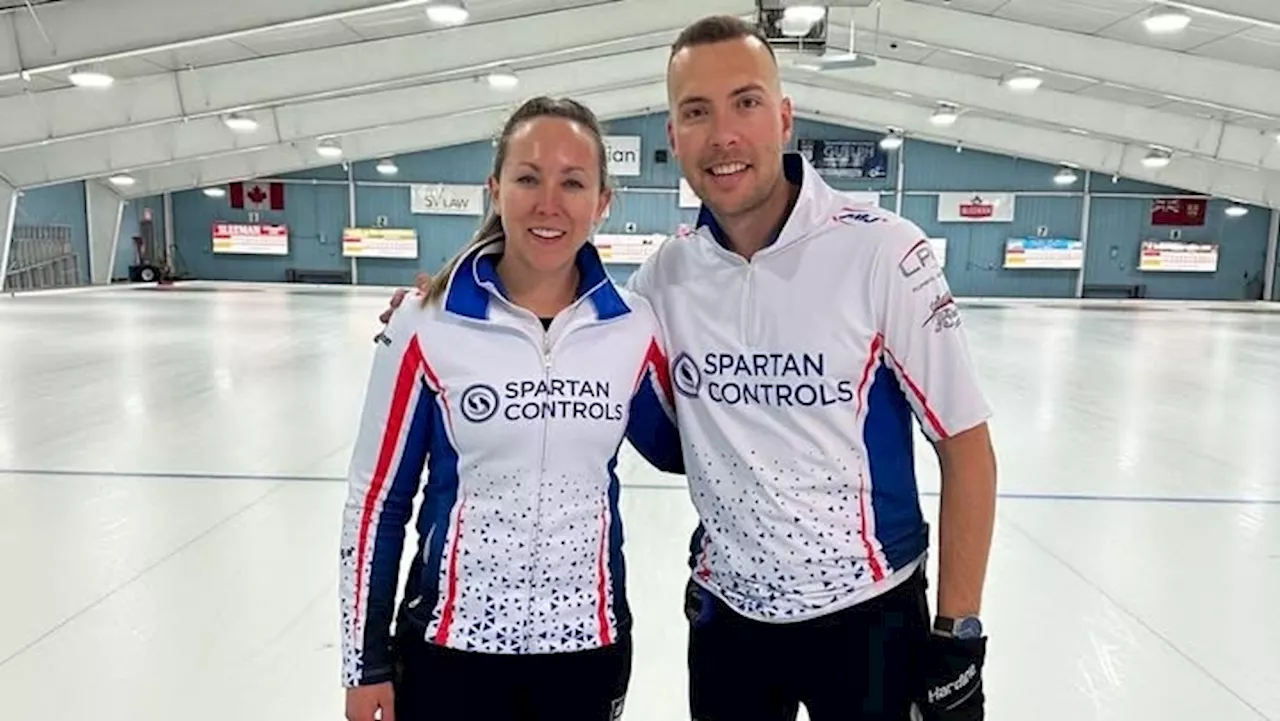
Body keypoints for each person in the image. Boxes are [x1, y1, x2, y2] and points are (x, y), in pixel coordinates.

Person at [381, 15, 998, 721]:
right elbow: (565, 315)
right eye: (696, 112)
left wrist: (959, 632)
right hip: (729, 624)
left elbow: (967, 447)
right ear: (672, 136)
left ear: (785, 116)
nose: (723, 134)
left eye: (746, 102)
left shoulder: (883, 252)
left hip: (868, 618)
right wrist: (443, 302)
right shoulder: (662, 281)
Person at [340, 95, 684, 721]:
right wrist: (365, 664)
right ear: (495, 189)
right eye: (528, 177)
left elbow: (687, 450)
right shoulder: (427, 324)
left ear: (602, 202)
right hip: (450, 653)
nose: (549, 202)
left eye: (573, 182)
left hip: (588, 650)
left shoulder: (632, 330)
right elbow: (377, 501)